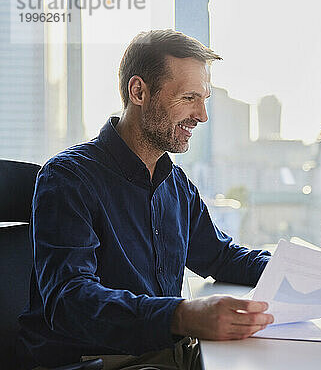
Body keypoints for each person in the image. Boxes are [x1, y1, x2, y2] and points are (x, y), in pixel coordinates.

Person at [17, 29, 274, 369]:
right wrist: (181, 316)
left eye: (204, 99)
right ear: (138, 91)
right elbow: (70, 301)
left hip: (166, 355)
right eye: (188, 98)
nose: (201, 115)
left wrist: (298, 272)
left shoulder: (175, 184)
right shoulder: (68, 178)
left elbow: (221, 257)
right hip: (96, 361)